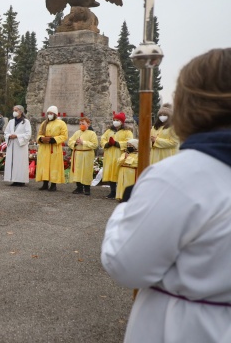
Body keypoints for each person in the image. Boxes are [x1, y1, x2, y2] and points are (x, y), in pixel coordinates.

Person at [101, 48, 231, 342]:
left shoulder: (179, 179)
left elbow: (125, 264)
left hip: (188, 329)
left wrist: (128, 204)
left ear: (191, 104)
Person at [100, 112, 133, 199]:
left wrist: (116, 143)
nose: (115, 122)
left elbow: (130, 142)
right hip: (109, 154)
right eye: (114, 120)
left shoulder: (127, 132)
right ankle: (112, 191)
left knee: (119, 172)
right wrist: (107, 144)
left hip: (119, 154)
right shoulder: (109, 131)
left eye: (117, 120)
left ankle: (121, 191)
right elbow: (102, 139)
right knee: (111, 172)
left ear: (122, 121)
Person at [36, 105, 68, 191]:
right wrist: (41, 139)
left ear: (55, 114)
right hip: (44, 148)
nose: (49, 115)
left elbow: (64, 136)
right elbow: (39, 134)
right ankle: (45, 183)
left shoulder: (61, 123)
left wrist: (53, 139)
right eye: (48, 113)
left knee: (54, 166)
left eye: (51, 113)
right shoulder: (44, 123)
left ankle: (53, 185)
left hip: (54, 148)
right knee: (44, 165)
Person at [68, 117, 98, 195]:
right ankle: (79, 187)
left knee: (86, 171)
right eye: (80, 124)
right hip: (78, 154)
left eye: (83, 124)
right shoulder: (77, 133)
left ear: (88, 124)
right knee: (78, 170)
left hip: (87, 154)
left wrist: (83, 142)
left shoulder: (92, 133)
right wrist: (75, 143)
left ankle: (87, 188)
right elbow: (70, 141)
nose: (81, 125)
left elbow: (95, 144)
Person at [3, 105, 32, 186]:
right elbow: (6, 132)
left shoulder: (26, 122)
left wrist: (17, 136)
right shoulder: (11, 122)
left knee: (20, 162)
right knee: (12, 162)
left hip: (20, 146)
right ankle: (13, 179)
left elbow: (28, 134)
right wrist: (9, 136)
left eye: (16, 110)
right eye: (14, 110)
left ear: (21, 112)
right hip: (12, 145)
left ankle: (21, 180)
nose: (14, 112)